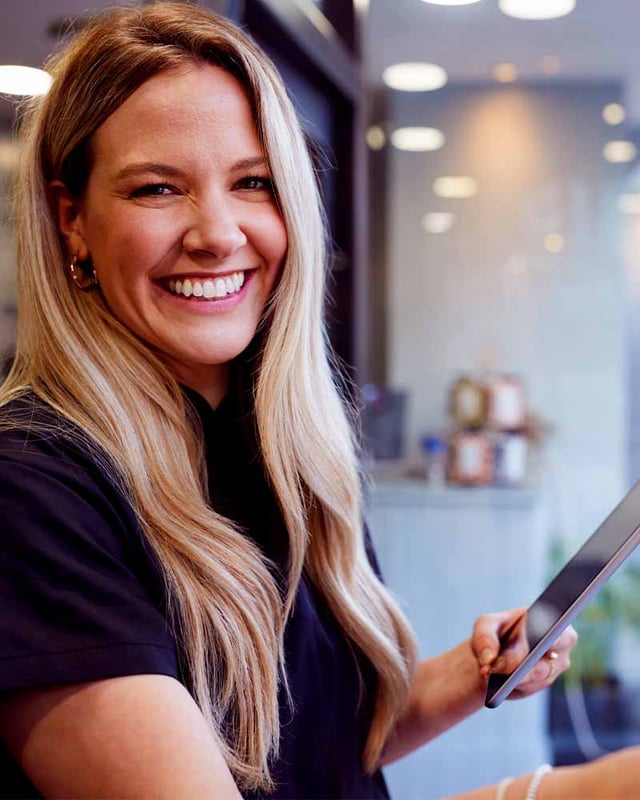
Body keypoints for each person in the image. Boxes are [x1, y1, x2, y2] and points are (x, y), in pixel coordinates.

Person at [0, 3, 635, 799]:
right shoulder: (32, 489)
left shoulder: (281, 448)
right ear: (72, 222)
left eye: (253, 182)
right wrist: (569, 792)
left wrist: (471, 675)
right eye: (158, 188)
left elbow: (322, 752)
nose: (218, 232)